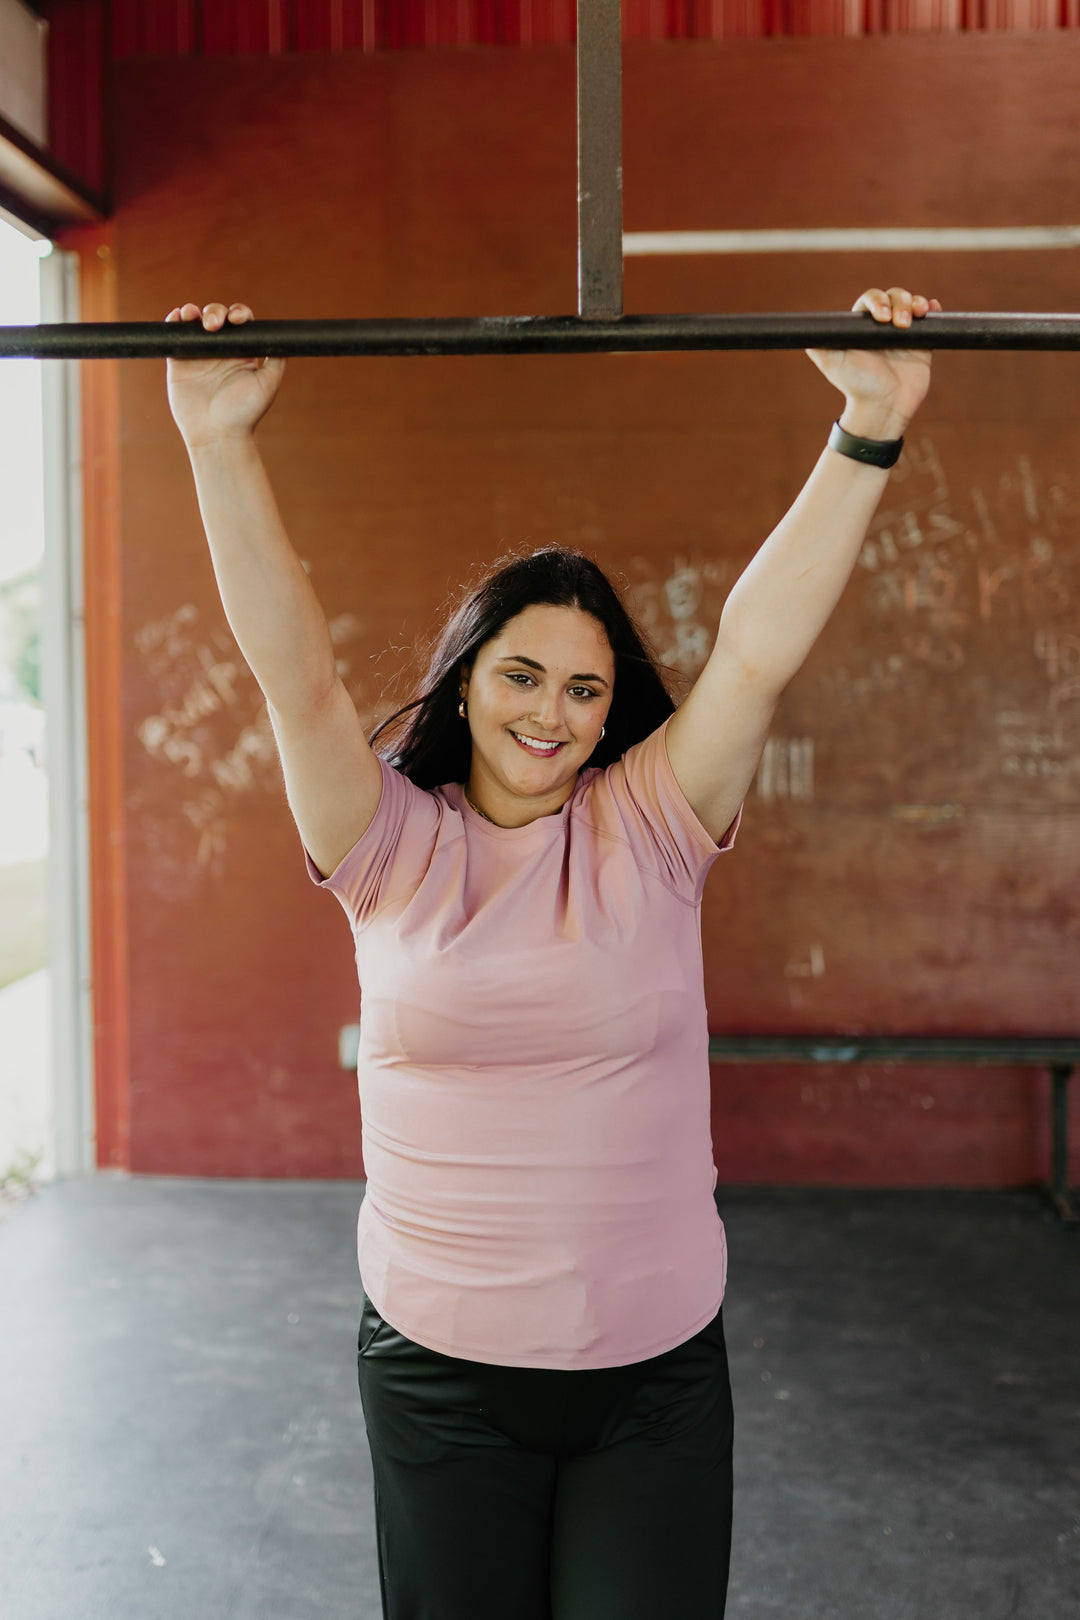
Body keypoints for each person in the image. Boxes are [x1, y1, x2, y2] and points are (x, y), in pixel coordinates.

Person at [165, 286, 939, 1620]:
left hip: (653, 1382)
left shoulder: (652, 826)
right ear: (467, 680)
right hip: (440, 1378)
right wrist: (217, 440)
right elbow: (295, 676)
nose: (553, 714)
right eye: (523, 675)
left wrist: (866, 428)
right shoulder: (390, 844)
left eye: (585, 690)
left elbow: (752, 658)